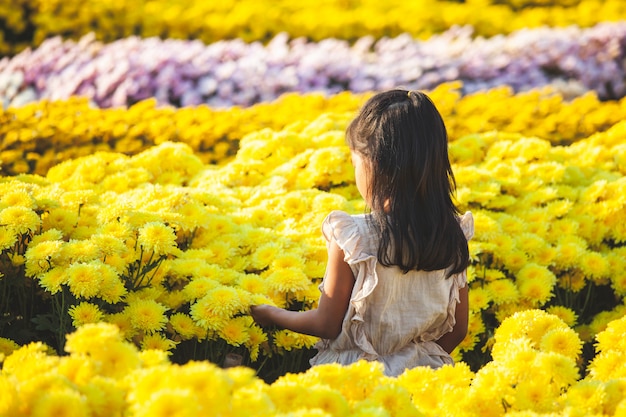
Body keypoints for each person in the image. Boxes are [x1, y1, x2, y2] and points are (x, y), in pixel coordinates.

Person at [250, 89, 473, 376]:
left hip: (355, 379)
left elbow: (327, 323)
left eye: (355, 162)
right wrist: (413, 360)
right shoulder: (453, 234)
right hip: (424, 379)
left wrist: (273, 314)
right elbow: (457, 329)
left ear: (374, 164)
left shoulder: (354, 235)